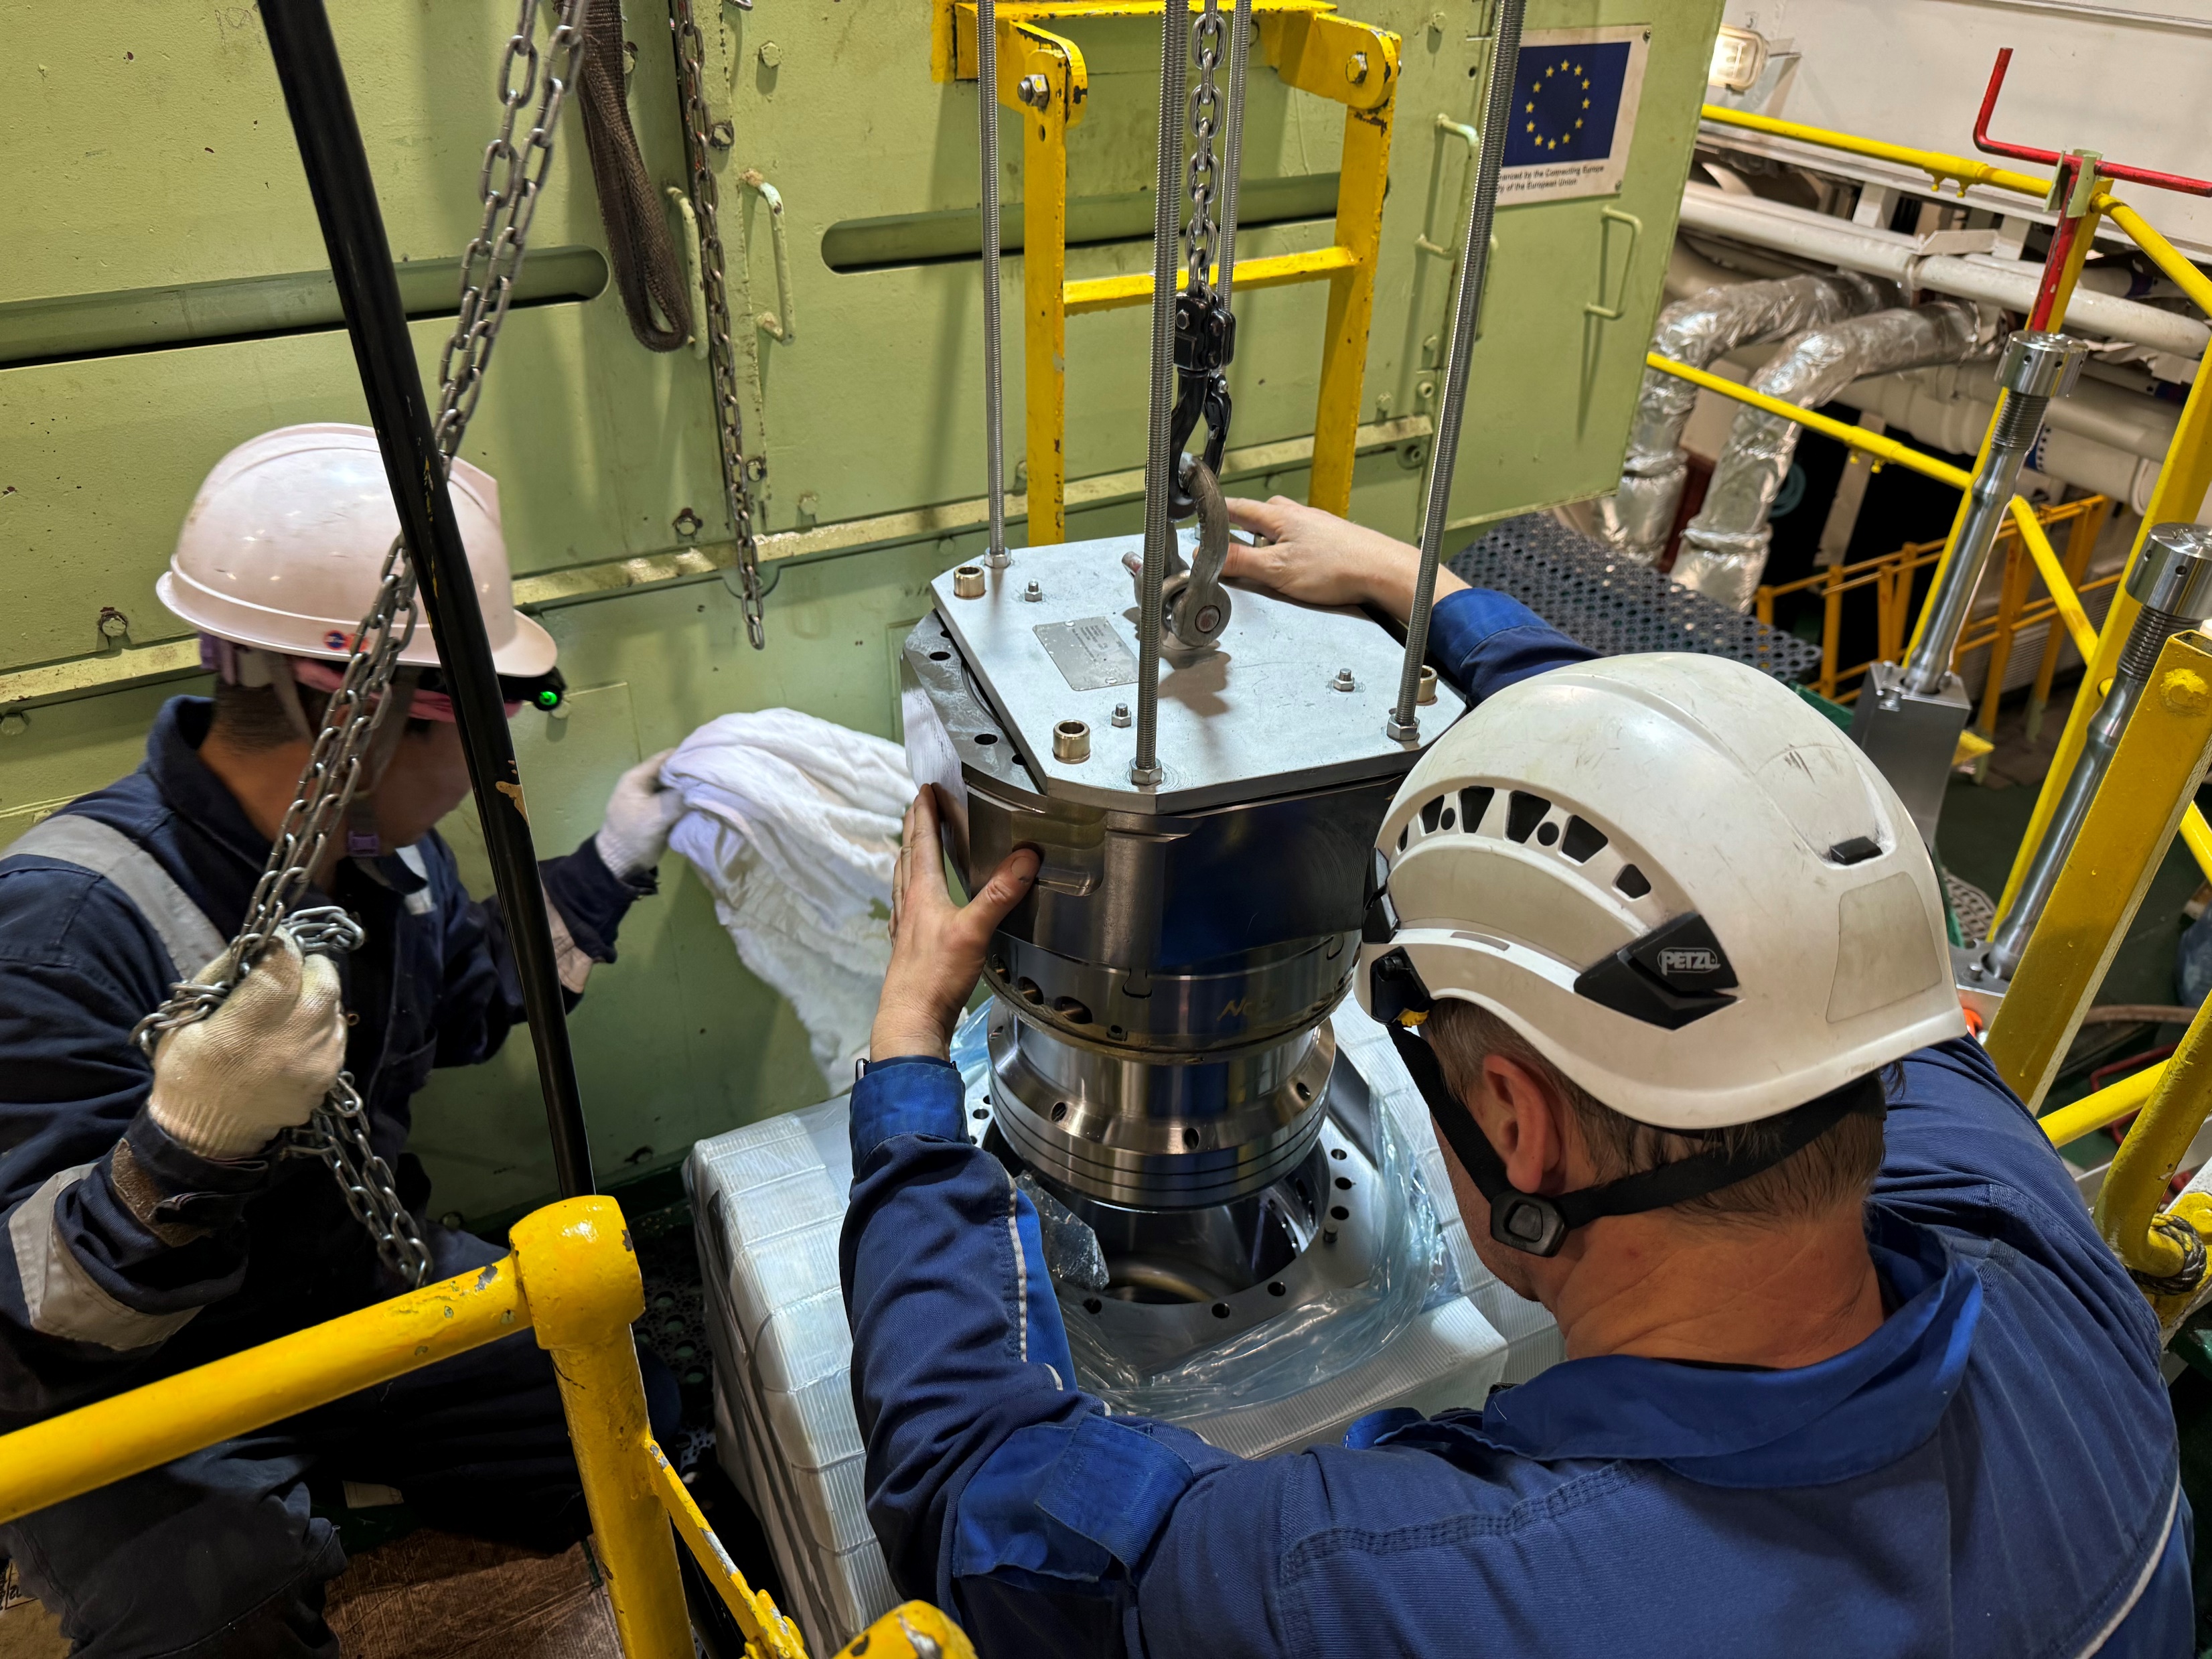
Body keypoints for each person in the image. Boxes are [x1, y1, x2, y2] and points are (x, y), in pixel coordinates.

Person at [839, 496, 2192, 1656]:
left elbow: (975, 1492)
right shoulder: (2037, 1248)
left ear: (1514, 1125)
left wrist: (906, 1064)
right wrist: (1426, 594)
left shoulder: (1410, 1591)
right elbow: (1735, 859)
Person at [0, 425, 688, 1656]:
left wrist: (608, 867)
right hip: (131, 1379)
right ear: (366, 720)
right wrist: (184, 1146)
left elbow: (468, 999)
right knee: (215, 1613)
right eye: (490, 710)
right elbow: (44, 1310)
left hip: (336, 1290)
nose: (499, 749)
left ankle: (342, 1475)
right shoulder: (64, 927)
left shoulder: (384, 857)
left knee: (621, 1404)